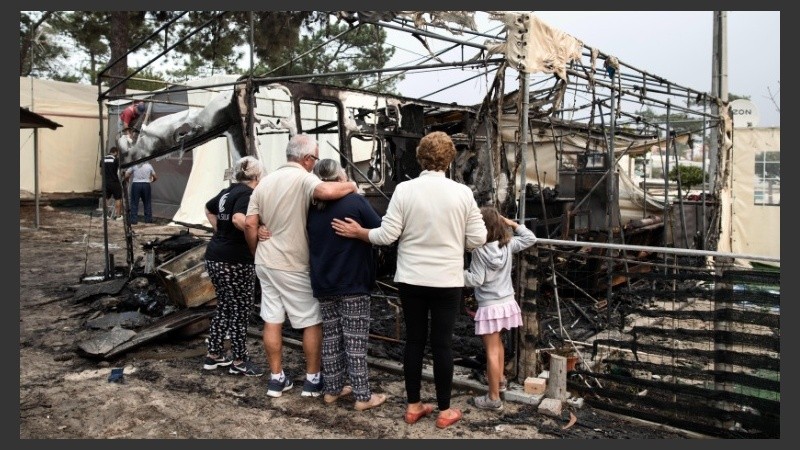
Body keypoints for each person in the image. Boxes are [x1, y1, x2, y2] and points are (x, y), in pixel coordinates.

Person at [331, 131, 487, 429]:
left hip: (411, 279)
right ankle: (444, 410)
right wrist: (457, 241)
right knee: (442, 344)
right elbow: (478, 238)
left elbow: (386, 235)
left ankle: (414, 406)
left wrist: (359, 233)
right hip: (446, 281)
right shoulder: (462, 193)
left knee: (414, 340)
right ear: (450, 158)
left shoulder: (405, 190)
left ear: (420, 158)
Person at [244, 134, 358, 399]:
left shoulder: (265, 182)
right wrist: (351, 185)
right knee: (311, 321)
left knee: (272, 319)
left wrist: (255, 250)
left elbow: (250, 223)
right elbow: (327, 191)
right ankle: (312, 380)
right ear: (307, 159)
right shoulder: (303, 178)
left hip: (265, 261)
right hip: (292, 263)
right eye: (314, 158)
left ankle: (275, 379)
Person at [306, 159, 386, 411]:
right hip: (352, 281)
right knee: (355, 341)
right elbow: (381, 229)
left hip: (323, 280)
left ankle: (332, 389)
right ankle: (363, 396)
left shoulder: (312, 206)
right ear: (341, 175)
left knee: (331, 337)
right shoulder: (355, 201)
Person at [463, 207, 537, 411]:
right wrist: (513, 224)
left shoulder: (478, 250)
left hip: (489, 305)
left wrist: (457, 274)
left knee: (491, 351)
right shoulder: (507, 245)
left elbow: (476, 279)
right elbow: (530, 238)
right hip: (507, 302)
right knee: (498, 345)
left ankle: (493, 398)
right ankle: (501, 380)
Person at [202, 156, 266, 377]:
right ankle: (239, 360)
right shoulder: (248, 194)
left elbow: (208, 209)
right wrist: (256, 234)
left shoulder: (226, 192)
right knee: (240, 310)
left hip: (215, 256)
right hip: (235, 260)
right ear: (257, 176)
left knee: (225, 306)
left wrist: (219, 230)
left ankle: (214, 354)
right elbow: (241, 220)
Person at [101, 146, 124, 220]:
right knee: (118, 198)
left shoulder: (103, 159)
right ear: (115, 152)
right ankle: (118, 216)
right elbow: (120, 170)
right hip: (114, 182)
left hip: (106, 182)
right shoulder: (115, 159)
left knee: (106, 199)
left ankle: (105, 215)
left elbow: (101, 172)